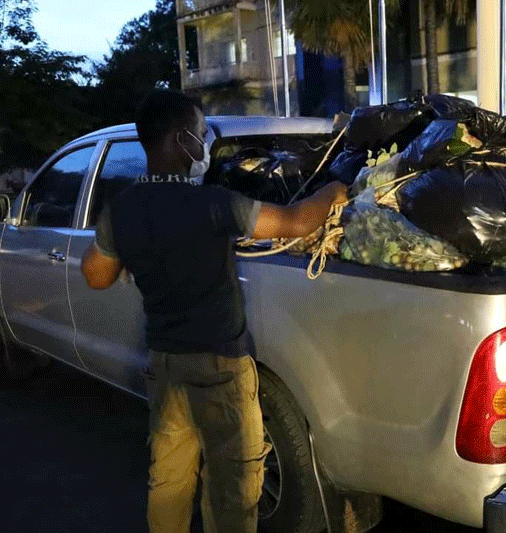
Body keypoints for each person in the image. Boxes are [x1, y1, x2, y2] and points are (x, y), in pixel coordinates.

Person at [80, 90, 347, 533]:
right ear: (180, 139)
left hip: (165, 367)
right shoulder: (214, 205)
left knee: (168, 481)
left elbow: (96, 275)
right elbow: (296, 222)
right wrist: (331, 191)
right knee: (233, 486)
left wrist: (130, 253)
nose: (202, 144)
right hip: (221, 367)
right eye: (200, 134)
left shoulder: (122, 209)